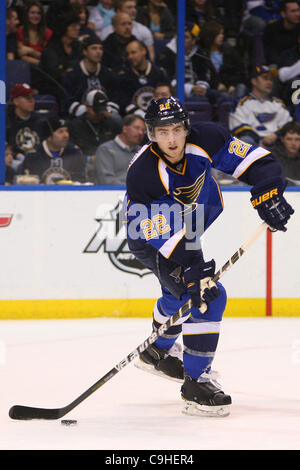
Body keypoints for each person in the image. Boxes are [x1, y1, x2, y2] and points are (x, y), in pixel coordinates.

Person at [124, 96, 294, 417]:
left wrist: (268, 190)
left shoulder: (208, 138)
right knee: (207, 296)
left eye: (176, 129)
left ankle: (155, 351)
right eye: (162, 132)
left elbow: (258, 162)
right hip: (150, 236)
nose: (171, 140)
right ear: (151, 134)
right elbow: (162, 233)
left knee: (177, 294)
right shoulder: (144, 173)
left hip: (189, 222)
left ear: (187, 127)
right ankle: (196, 383)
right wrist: (195, 269)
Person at [229, 65, 292, 147]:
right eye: (265, 78)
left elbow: (288, 124)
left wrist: (276, 135)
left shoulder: (278, 103)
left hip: (277, 144)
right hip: (254, 145)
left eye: (271, 79)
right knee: (246, 140)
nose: (269, 82)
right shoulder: (242, 102)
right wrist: (259, 141)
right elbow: (239, 127)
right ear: (254, 81)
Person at [68, 88, 122, 181]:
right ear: (87, 107)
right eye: (96, 111)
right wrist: (89, 158)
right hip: (84, 165)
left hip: (110, 164)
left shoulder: (112, 123)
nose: (99, 114)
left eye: (102, 111)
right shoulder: (75, 125)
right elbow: (71, 152)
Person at [61, 35, 121, 118]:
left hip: (105, 116)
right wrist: (88, 112)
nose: (98, 52)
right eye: (94, 48)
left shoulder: (108, 74)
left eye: (100, 48)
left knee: (117, 119)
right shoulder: (72, 75)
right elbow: (67, 101)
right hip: (80, 118)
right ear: (85, 52)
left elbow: (115, 97)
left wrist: (107, 111)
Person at [19, 116, 87, 184]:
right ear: (49, 137)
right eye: (61, 132)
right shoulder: (33, 155)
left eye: (67, 131)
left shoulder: (74, 153)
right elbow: (25, 183)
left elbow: (81, 182)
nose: (66, 135)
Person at [115, 38, 168, 115]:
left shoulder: (159, 73)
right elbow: (123, 101)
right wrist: (138, 114)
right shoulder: (124, 76)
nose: (130, 57)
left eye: (133, 52)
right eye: (128, 54)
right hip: (134, 118)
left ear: (143, 51)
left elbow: (167, 95)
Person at [94, 114, 145, 184]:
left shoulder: (143, 152)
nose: (140, 133)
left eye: (143, 130)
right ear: (125, 129)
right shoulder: (106, 149)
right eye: (137, 128)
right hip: (113, 193)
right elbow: (106, 180)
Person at [6, 83, 45, 157]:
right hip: (14, 160)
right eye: (27, 97)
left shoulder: (40, 120)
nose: (31, 101)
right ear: (16, 101)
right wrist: (18, 156)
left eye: (32, 97)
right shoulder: (5, 121)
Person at [263, 0, 300, 66]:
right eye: (293, 11)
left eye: (298, 10)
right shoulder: (271, 29)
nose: (298, 14)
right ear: (283, 14)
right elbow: (270, 55)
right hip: (277, 67)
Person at [16, 0, 53, 67]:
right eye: (32, 13)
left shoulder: (48, 32)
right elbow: (21, 55)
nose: (36, 16)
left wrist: (31, 51)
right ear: (27, 14)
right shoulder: (20, 31)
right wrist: (39, 60)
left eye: (39, 13)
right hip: (24, 68)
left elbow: (49, 58)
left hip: (44, 71)